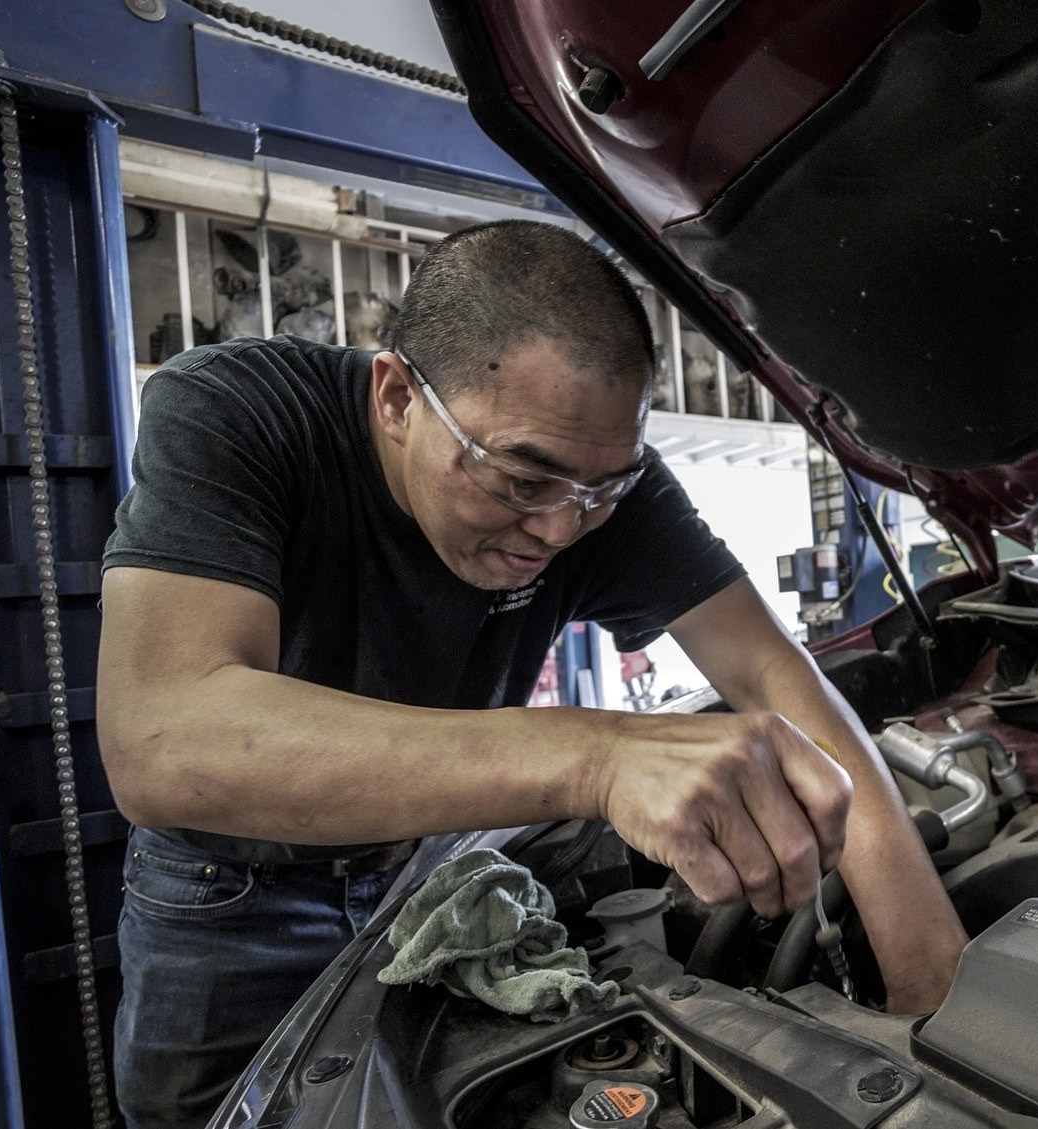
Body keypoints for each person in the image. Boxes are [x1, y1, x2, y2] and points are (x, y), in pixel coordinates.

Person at [96, 221, 968, 1129]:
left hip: (435, 871)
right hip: (232, 899)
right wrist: (599, 758)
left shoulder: (594, 486)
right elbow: (165, 738)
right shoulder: (243, 411)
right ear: (396, 397)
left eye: (603, 491)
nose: (560, 530)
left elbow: (768, 669)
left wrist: (924, 970)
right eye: (519, 481)